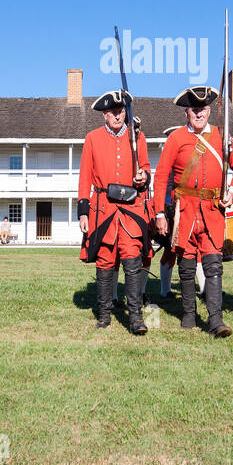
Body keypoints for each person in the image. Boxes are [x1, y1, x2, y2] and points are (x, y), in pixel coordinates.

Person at [152, 86, 233, 337]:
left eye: (203, 109)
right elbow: (161, 177)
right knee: (185, 265)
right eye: (194, 110)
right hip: (184, 212)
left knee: (213, 265)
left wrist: (232, 191)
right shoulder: (175, 139)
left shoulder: (222, 137)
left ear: (208, 111)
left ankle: (216, 320)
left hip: (213, 210)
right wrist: (160, 213)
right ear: (187, 112)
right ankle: (188, 315)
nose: (199, 114)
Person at [78, 89, 153, 333]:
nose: (117, 116)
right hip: (103, 210)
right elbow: (84, 177)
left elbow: (146, 168)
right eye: (112, 112)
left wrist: (144, 176)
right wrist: (83, 211)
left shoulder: (137, 137)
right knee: (105, 262)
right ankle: (104, 314)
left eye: (121, 111)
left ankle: (136, 318)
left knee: (133, 262)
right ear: (104, 115)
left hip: (130, 210)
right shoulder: (92, 138)